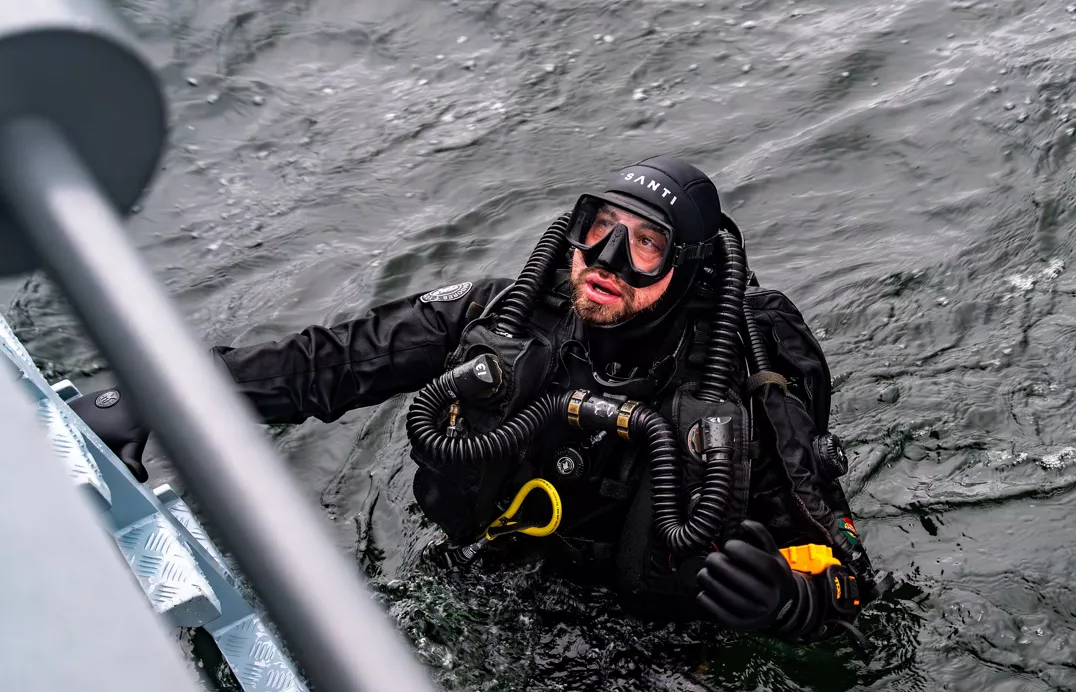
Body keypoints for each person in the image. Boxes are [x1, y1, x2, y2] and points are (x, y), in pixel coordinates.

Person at [75, 155, 895, 649]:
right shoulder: (502, 321)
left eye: (644, 246)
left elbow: (851, 569)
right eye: (598, 229)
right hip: (487, 579)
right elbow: (326, 366)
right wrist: (151, 392)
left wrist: (793, 602)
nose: (606, 259)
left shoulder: (732, 396)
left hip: (649, 652)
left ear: (688, 269)